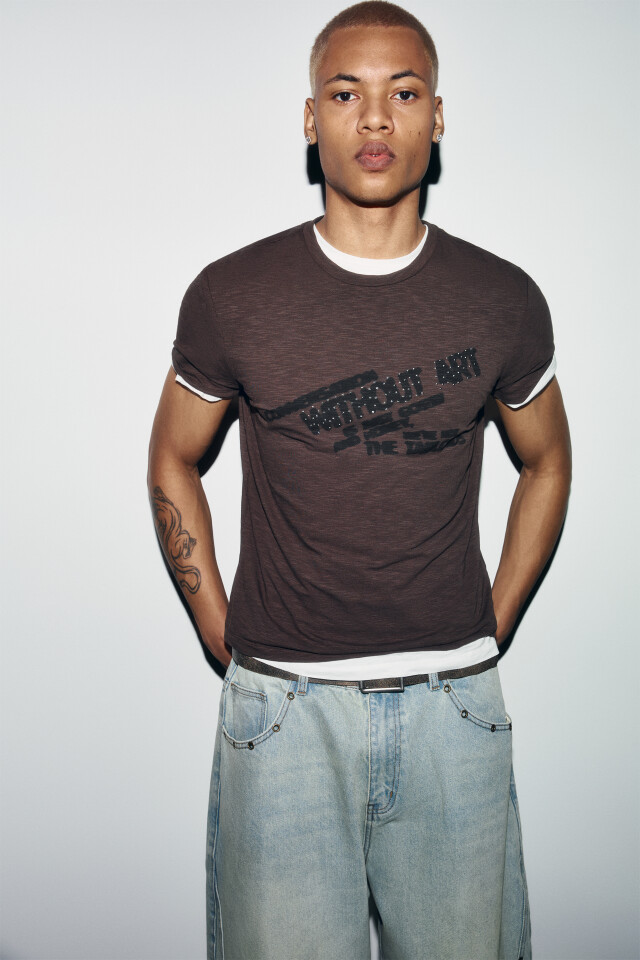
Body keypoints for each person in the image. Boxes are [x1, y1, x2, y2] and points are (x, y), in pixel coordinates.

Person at [147, 3, 571, 957]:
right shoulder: (233, 295)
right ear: (311, 119)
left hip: (453, 708)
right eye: (346, 94)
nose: (375, 118)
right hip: (283, 713)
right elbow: (173, 453)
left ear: (437, 117)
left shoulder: (502, 299)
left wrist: (492, 619)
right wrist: (217, 621)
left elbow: (548, 459)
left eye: (403, 93)